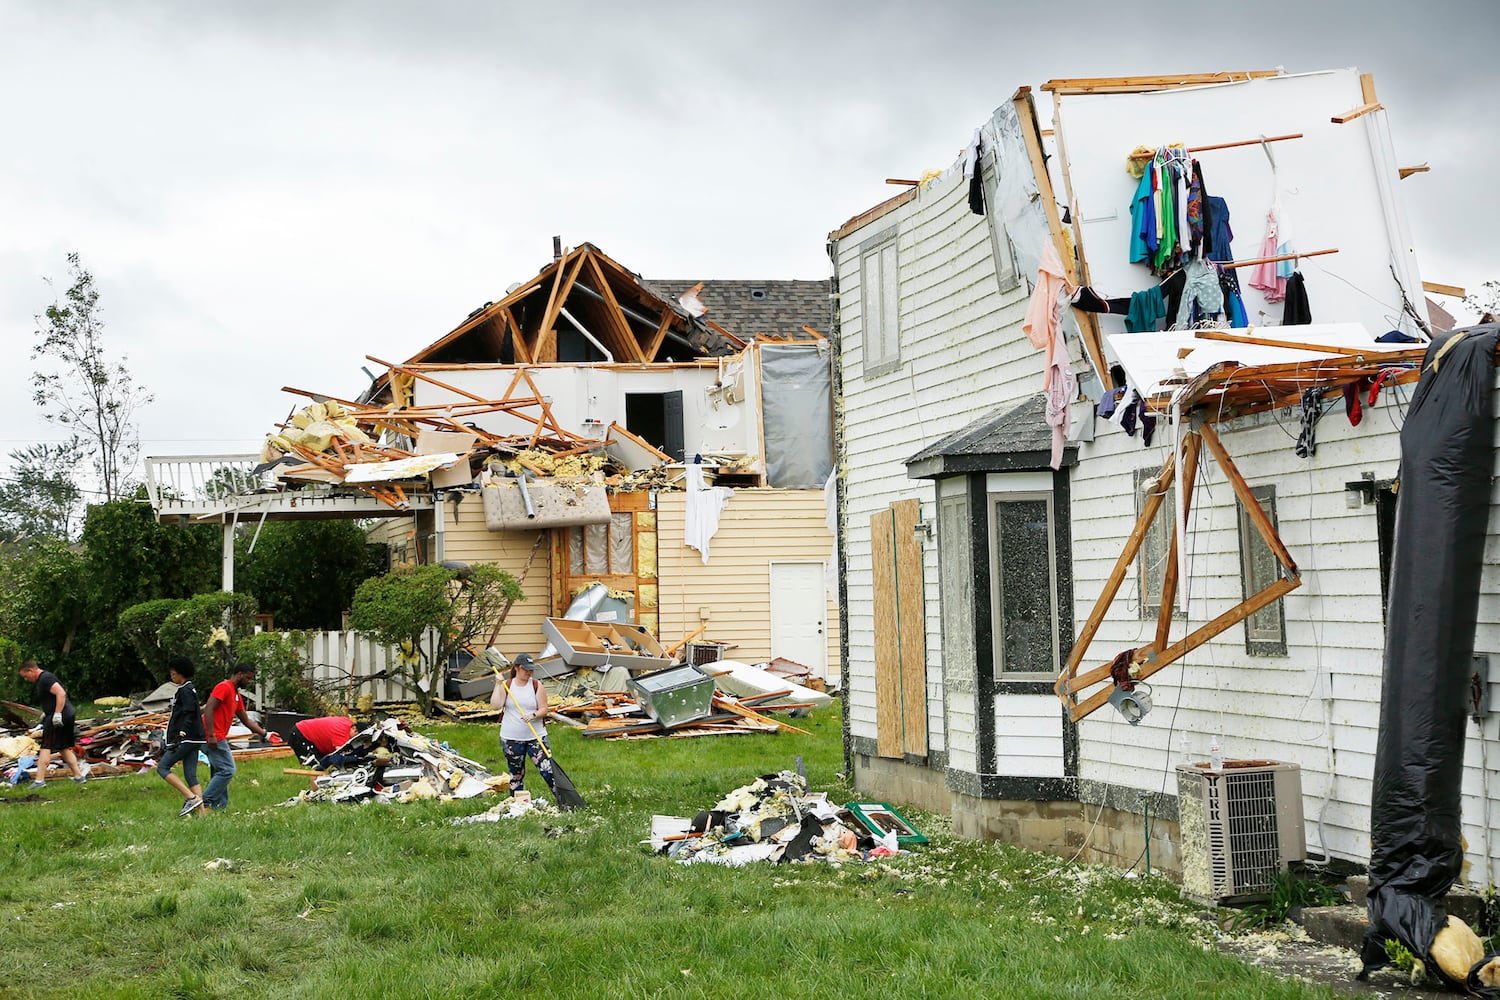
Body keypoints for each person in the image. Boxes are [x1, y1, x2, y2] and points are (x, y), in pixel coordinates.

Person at [200, 662, 274, 810]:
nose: (249, 681)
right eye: (247, 678)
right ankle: (202, 802)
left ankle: (219, 807)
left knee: (219, 771)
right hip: (212, 735)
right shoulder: (224, 687)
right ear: (239, 674)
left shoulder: (236, 695)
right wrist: (212, 735)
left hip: (218, 735)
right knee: (228, 770)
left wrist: (266, 734)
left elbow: (246, 720)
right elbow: (208, 708)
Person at [489, 653, 557, 795]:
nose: (529, 672)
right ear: (517, 668)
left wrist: (533, 715)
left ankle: (563, 799)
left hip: (536, 736)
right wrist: (497, 684)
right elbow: (495, 706)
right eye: (526, 669)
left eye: (531, 669)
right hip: (511, 738)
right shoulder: (507, 685)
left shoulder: (536, 685)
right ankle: (518, 804)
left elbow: (544, 709)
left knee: (548, 771)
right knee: (516, 775)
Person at [17, 660, 86, 787]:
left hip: (60, 716)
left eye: (26, 676)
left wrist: (57, 713)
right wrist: (47, 712)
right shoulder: (44, 679)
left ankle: (39, 780)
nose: (26, 679)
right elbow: (51, 698)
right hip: (67, 714)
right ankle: (79, 776)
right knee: (63, 747)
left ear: (31, 670)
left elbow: (61, 693)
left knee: (46, 747)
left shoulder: (45, 678)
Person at [155, 655, 207, 817]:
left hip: (186, 738)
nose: (172, 676)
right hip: (196, 738)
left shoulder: (184, 690)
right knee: (190, 774)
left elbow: (190, 712)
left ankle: (191, 797)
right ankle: (202, 813)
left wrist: (181, 733)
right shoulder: (191, 689)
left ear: (180, 673)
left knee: (163, 767)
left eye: (173, 673)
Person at [287, 714, 357, 768]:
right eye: (357, 735)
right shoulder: (341, 733)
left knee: (324, 764)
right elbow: (340, 754)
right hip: (301, 734)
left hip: (315, 739)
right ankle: (316, 786)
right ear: (354, 728)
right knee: (317, 767)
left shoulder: (348, 723)